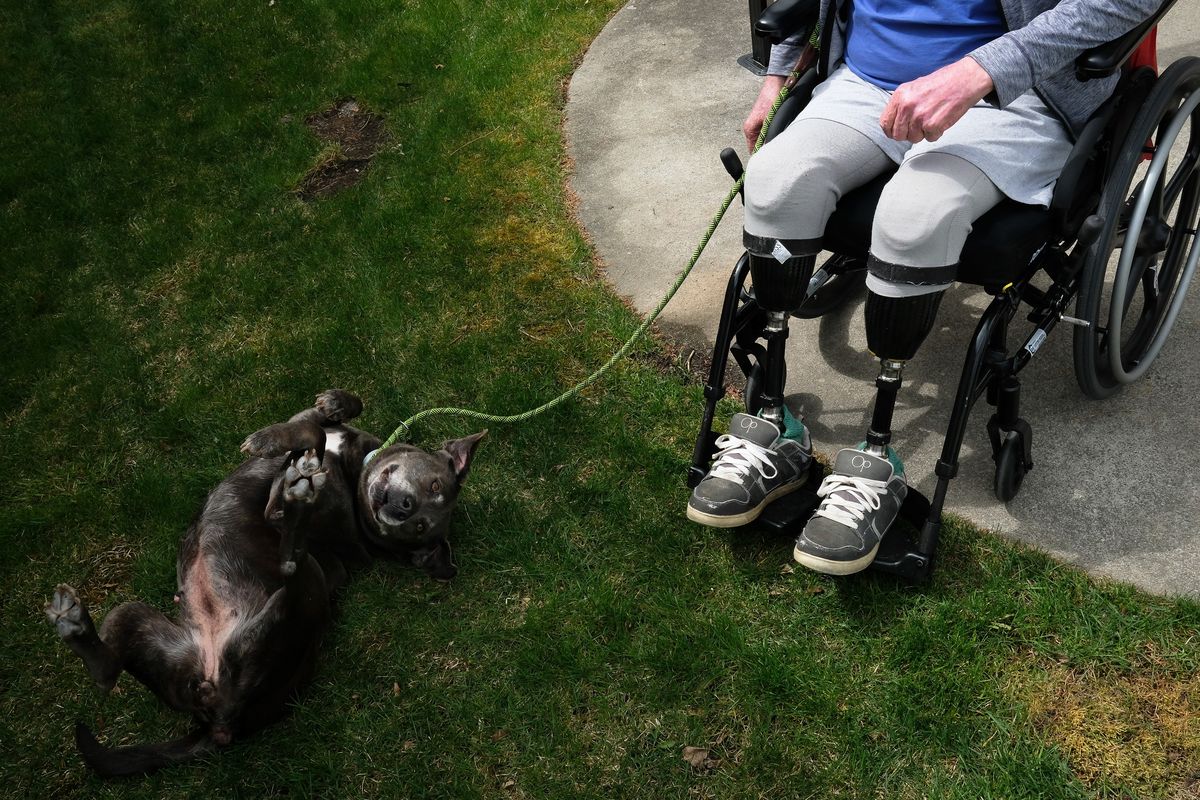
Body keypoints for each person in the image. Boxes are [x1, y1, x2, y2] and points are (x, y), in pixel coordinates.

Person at [687, 0, 1163, 575]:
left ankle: (877, 457)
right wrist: (778, 74)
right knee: (775, 182)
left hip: (1010, 99)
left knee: (913, 217)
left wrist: (984, 69)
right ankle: (774, 425)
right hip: (865, 84)